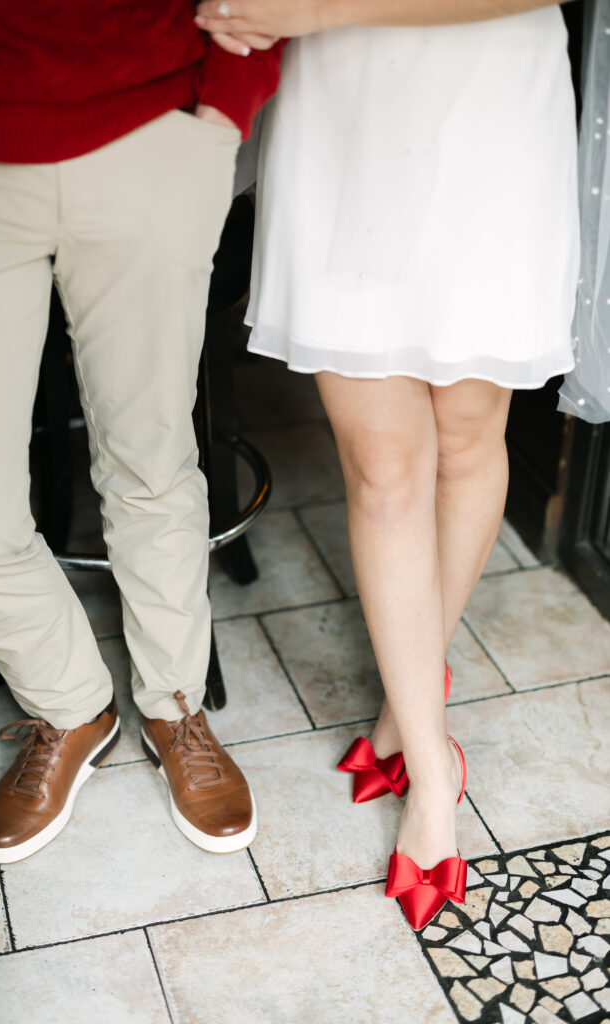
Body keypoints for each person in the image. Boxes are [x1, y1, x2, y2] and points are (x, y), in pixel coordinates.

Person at [196, 0, 580, 928]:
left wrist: (309, 8)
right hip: (342, 107)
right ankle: (432, 761)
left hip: (486, 100)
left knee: (460, 441)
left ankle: (410, 726)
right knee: (380, 466)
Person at [0, 2, 282, 863]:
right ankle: (72, 706)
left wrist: (223, 106)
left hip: (152, 126)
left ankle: (174, 708)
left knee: (150, 459)